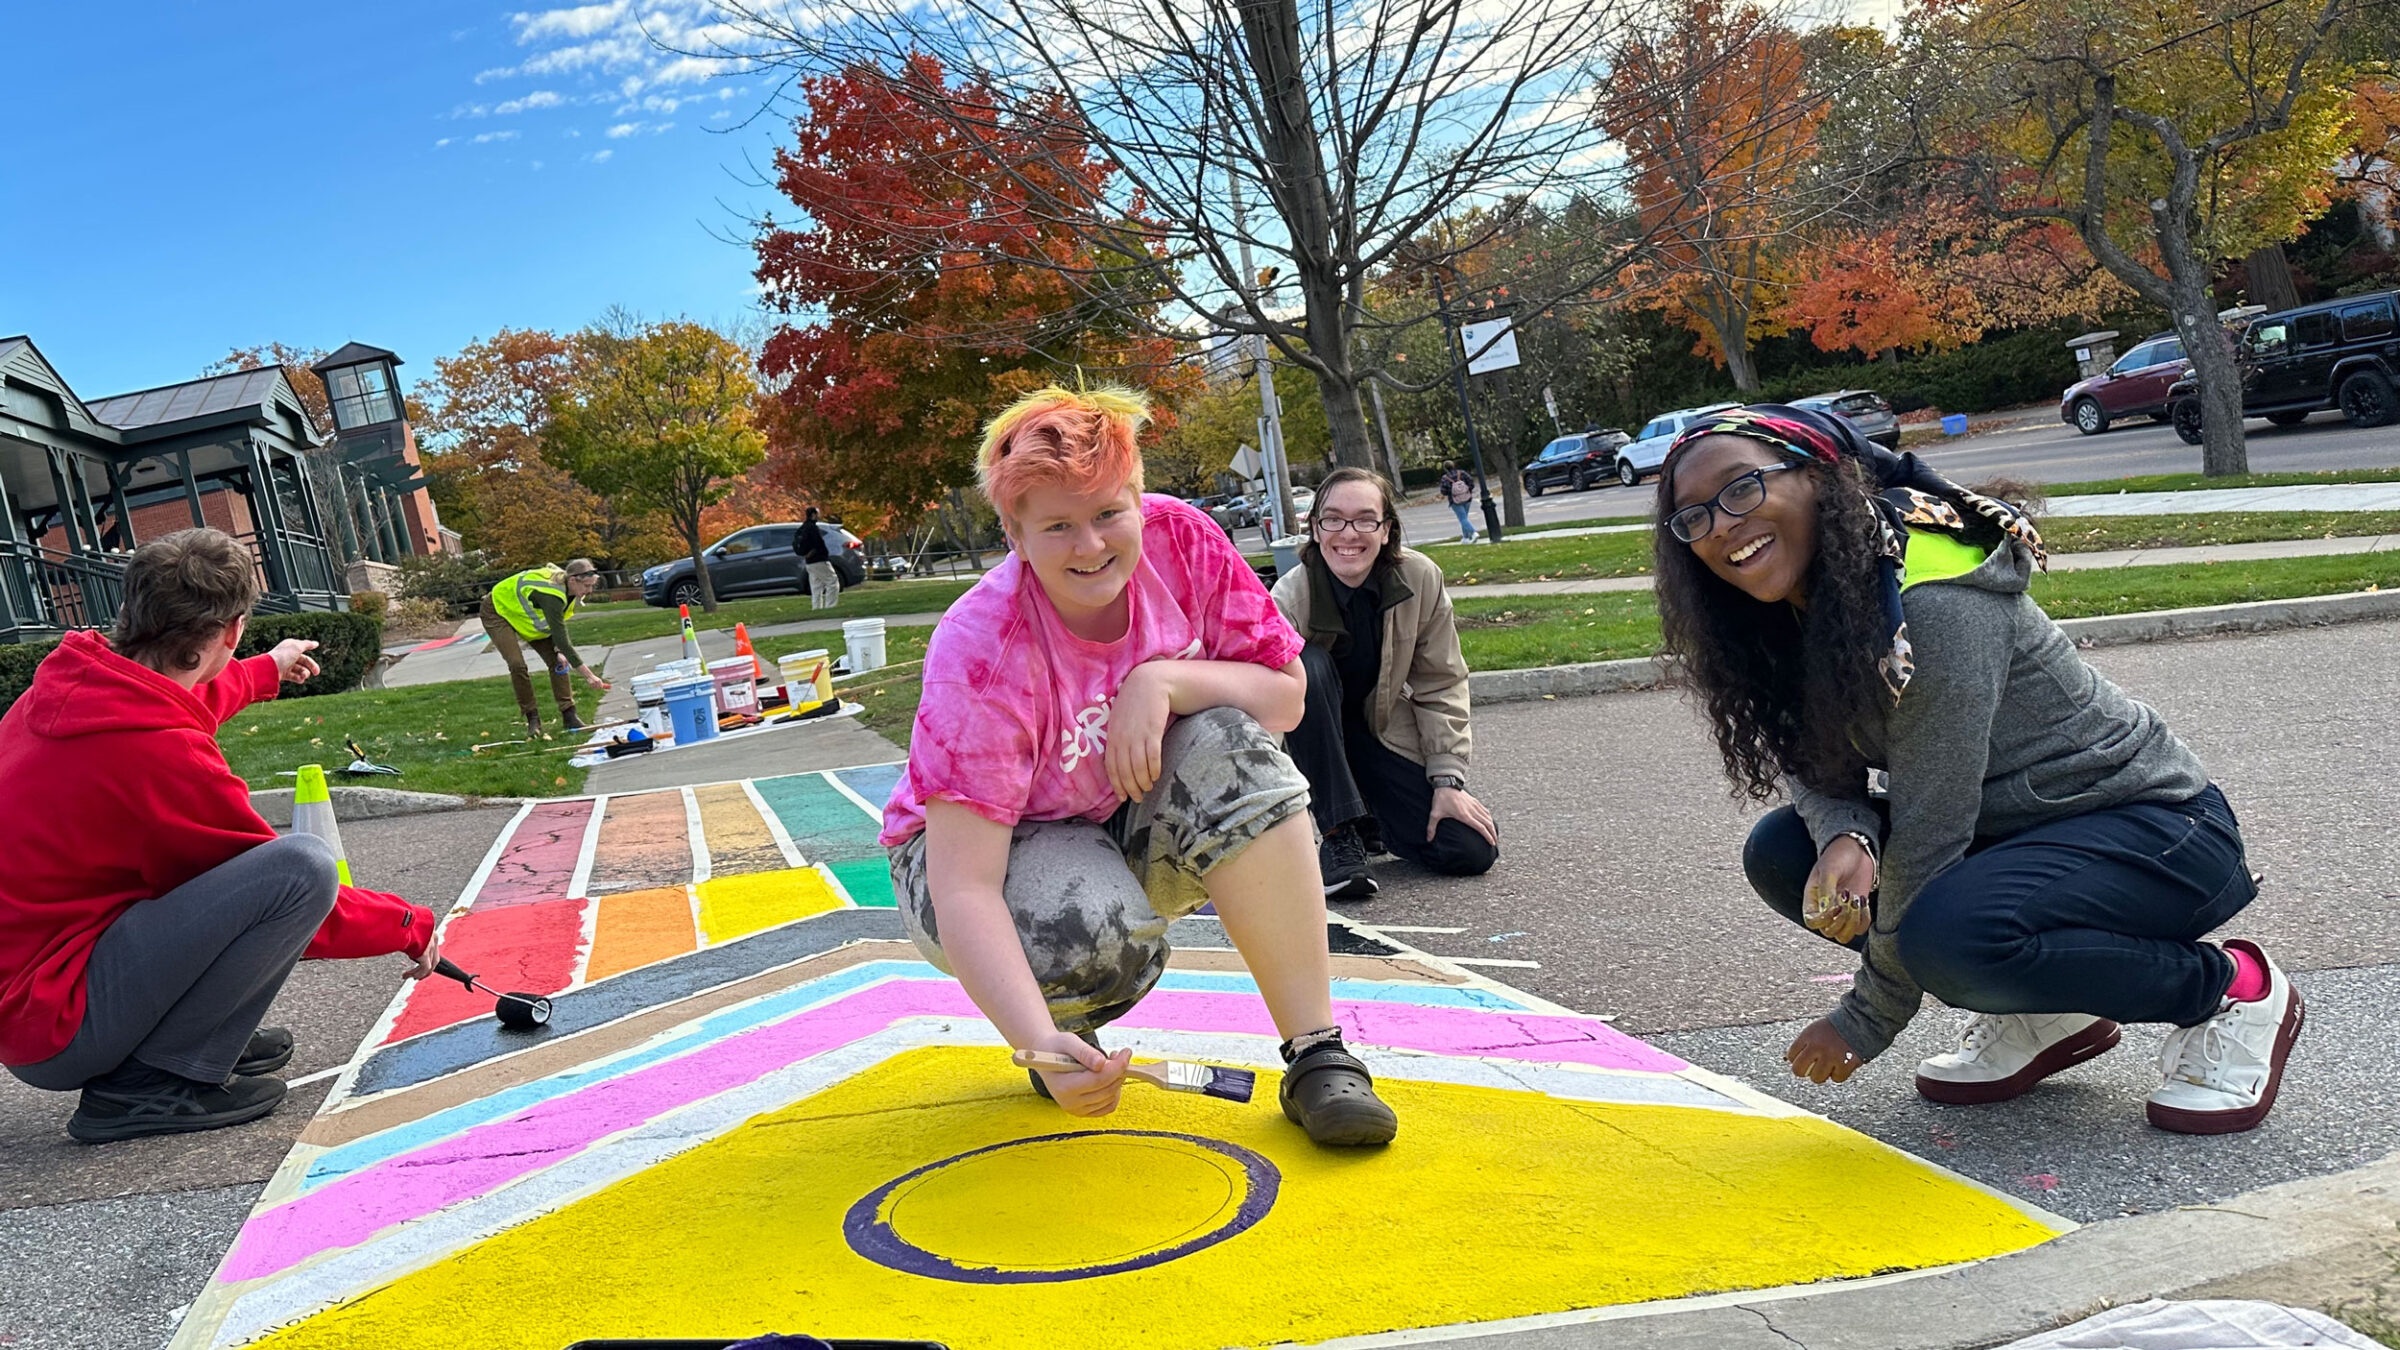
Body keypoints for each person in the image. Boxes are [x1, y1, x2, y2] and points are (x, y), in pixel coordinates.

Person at [1652, 405, 2298, 1135]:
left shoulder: (1928, 602)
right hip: (2018, 842)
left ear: (1818, 476)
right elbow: (1808, 758)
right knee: (1785, 853)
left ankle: (2229, 990)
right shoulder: (1793, 603)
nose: (1721, 527)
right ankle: (2045, 1011)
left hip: (2156, 832)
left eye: (1741, 490)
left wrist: (1866, 1018)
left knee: (1950, 937)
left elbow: (1932, 829)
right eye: (1694, 518)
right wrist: (1847, 836)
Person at [880, 385, 1399, 1147]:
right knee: (1094, 929)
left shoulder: (1183, 544)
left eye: (1107, 514)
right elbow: (965, 884)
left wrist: (1162, 681)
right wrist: (1037, 1041)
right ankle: (1060, 1029)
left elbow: (1287, 699)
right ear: (1015, 535)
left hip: (1119, 814)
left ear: (1139, 498)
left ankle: (1319, 1055)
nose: (1089, 546)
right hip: (981, 862)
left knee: (1231, 738)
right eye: (1057, 526)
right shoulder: (981, 649)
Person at [0, 529, 441, 1143]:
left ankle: (191, 1038)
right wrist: (408, 924)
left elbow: (172, 701)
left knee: (245, 880)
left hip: (37, 996)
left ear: (132, 612)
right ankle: (148, 1084)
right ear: (231, 631)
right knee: (300, 870)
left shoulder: (75, 687)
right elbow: (295, 901)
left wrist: (266, 670)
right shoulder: (156, 753)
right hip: (62, 1023)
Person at [1272, 467, 1498, 901]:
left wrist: (1447, 783)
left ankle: (1370, 816)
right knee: (1306, 663)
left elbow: (1442, 682)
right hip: (1314, 749)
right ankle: (1341, 831)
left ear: (1386, 529)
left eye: (1365, 520)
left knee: (1469, 849)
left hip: (1380, 735)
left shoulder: (1420, 579)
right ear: (1316, 530)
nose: (1348, 533)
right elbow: (1265, 712)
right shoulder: (1288, 601)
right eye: (1333, 519)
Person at [480, 558, 609, 739]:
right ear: (573, 580)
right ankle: (532, 719)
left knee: (559, 661)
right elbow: (562, 640)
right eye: (587, 586)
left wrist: (559, 650)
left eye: (592, 586)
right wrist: (589, 676)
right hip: (497, 610)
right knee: (517, 664)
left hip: (523, 616)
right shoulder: (551, 596)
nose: (590, 591)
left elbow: (559, 629)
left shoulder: (569, 590)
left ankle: (569, 716)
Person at [794, 506, 841, 611]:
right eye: (818, 513)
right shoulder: (813, 528)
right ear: (814, 515)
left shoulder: (802, 528)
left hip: (809, 562)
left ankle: (816, 608)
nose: (819, 516)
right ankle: (830, 606)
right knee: (832, 581)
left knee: (816, 586)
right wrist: (822, 553)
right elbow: (818, 544)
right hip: (819, 559)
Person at [1439, 465, 1479, 543]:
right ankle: (1466, 537)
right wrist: (1467, 490)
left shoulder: (1445, 478)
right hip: (1467, 498)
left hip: (1455, 500)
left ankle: (1473, 532)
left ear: (1445, 468)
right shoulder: (1462, 473)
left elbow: (1443, 491)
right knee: (1464, 518)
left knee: (1462, 519)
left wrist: (1451, 492)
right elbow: (1471, 481)